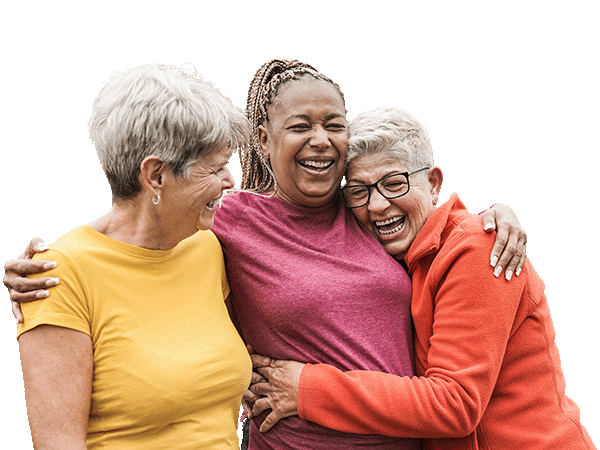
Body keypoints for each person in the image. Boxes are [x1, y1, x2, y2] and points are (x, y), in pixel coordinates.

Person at [5, 60, 527, 450]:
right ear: (264, 137)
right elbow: (139, 222)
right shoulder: (227, 223)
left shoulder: (365, 209)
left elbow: (426, 214)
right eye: (300, 126)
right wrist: (51, 256)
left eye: (334, 125)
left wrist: (495, 214)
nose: (320, 140)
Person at [243, 106, 596, 449]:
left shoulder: (476, 250)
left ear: (433, 183)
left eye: (394, 183)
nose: (378, 205)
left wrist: (306, 388)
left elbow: (455, 404)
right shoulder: (400, 256)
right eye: (359, 191)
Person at [12, 64, 252, 449]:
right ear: (155, 175)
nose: (230, 182)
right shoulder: (59, 277)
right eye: (216, 167)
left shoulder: (207, 245)